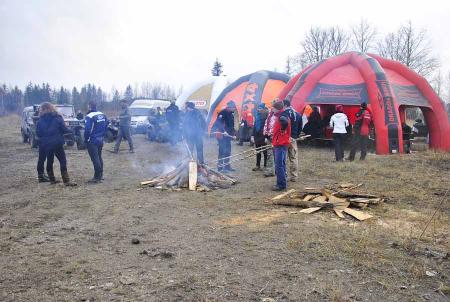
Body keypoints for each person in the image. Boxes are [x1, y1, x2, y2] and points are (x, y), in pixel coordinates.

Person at [36, 102, 76, 186]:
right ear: (52, 108)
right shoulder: (58, 118)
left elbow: (38, 133)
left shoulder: (39, 121)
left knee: (50, 161)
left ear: (42, 110)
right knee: (62, 160)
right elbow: (64, 130)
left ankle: (52, 180)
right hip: (57, 143)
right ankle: (66, 181)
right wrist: (72, 131)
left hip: (46, 144)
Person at [84, 102, 108, 183]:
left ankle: (97, 177)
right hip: (100, 139)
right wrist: (103, 135)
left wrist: (86, 139)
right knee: (99, 157)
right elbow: (106, 125)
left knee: (95, 158)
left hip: (93, 140)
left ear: (89, 107)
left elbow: (87, 129)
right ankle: (100, 175)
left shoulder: (89, 116)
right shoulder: (102, 114)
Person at [271, 100, 291, 191]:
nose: (272, 109)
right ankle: (282, 182)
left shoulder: (282, 116)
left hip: (280, 143)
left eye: (273, 107)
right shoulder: (283, 114)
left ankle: (281, 185)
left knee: (279, 164)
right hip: (281, 142)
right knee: (281, 164)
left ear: (277, 108)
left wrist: (282, 130)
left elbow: (285, 123)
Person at [282, 99, 302, 182]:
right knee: (293, 158)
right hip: (293, 138)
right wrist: (295, 136)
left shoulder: (284, 114)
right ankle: (294, 176)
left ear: (285, 105)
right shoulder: (297, 114)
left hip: (284, 138)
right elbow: (300, 127)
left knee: (283, 158)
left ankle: (284, 175)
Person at [214, 101, 236, 172]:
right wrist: (224, 131)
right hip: (222, 136)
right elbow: (218, 123)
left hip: (228, 136)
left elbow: (231, 126)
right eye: (233, 107)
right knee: (222, 151)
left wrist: (233, 134)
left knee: (228, 151)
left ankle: (227, 167)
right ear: (229, 107)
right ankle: (220, 168)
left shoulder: (231, 114)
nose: (234, 109)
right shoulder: (222, 113)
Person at [251, 103, 269, 171]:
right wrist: (252, 135)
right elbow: (255, 126)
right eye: (258, 108)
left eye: (260, 108)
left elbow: (267, 127)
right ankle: (257, 165)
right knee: (258, 151)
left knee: (265, 151)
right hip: (257, 135)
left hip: (263, 135)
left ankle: (265, 166)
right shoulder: (257, 115)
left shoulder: (266, 116)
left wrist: (266, 137)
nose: (259, 110)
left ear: (264, 109)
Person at [263, 101, 277, 177]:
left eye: (273, 106)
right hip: (269, 137)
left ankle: (277, 170)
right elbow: (266, 125)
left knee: (277, 154)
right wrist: (265, 135)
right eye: (272, 106)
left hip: (276, 138)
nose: (272, 108)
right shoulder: (270, 115)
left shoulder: (280, 115)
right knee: (269, 154)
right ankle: (270, 170)